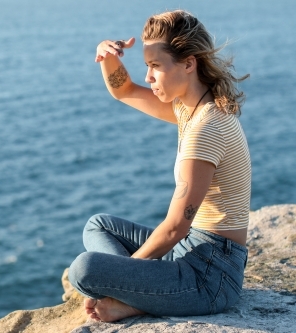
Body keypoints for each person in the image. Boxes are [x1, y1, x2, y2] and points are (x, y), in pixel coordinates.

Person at [68, 10, 251, 322]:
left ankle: (137, 297)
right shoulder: (188, 109)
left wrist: (121, 279)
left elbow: (176, 226)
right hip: (192, 250)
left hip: (211, 277)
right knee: (97, 226)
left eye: (155, 66)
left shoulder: (207, 129)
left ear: (189, 63)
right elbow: (124, 90)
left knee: (84, 269)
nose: (149, 77)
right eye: (146, 66)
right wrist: (107, 55)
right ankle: (145, 292)